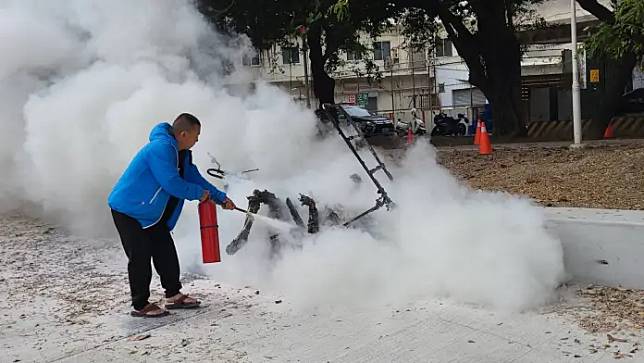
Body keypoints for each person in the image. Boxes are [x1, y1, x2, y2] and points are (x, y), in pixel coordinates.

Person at [108, 113, 236, 318]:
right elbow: (172, 184)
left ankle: (173, 294)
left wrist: (220, 198)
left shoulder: (182, 153)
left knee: (165, 250)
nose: (197, 140)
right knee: (140, 256)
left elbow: (195, 179)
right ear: (184, 134)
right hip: (128, 209)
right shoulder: (161, 149)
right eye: (196, 135)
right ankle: (140, 304)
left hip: (151, 214)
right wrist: (199, 195)